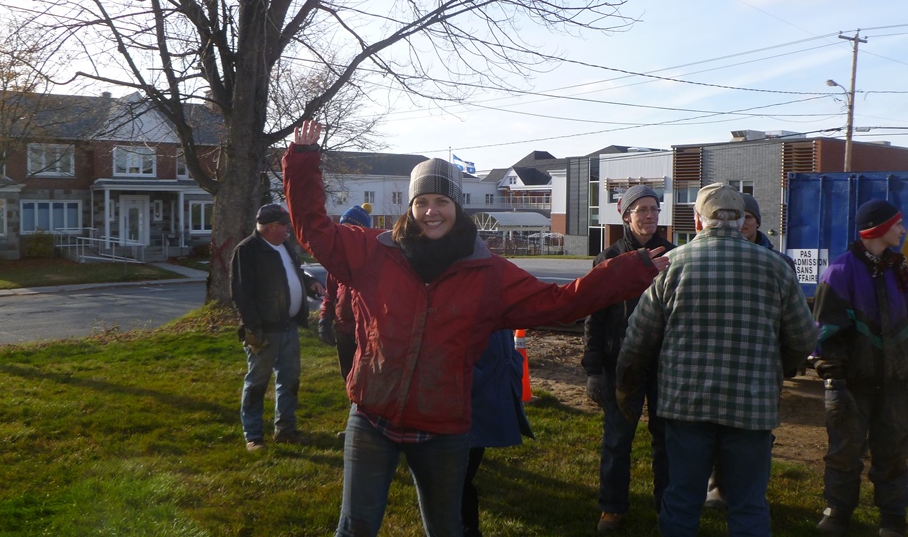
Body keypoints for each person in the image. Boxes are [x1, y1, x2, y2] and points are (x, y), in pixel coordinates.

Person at [283, 119, 670, 537]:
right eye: (422, 201)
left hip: (442, 426)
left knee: (447, 528)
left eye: (442, 201)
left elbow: (563, 302)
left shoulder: (488, 273)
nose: (431, 211)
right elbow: (313, 228)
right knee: (355, 527)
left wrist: (632, 268)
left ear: (457, 206)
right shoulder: (373, 254)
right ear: (410, 208)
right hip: (372, 416)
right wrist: (303, 162)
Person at [615, 182, 816, 537]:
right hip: (751, 407)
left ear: (697, 221)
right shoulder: (776, 267)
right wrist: (778, 367)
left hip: (686, 405)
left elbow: (638, 338)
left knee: (681, 499)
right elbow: (803, 339)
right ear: (740, 221)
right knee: (749, 504)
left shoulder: (670, 266)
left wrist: (625, 384)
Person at [812, 199, 908, 537]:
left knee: (896, 452)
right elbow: (827, 332)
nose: (903, 230)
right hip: (852, 384)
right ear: (879, 229)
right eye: (897, 224)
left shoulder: (902, 271)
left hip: (897, 385)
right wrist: (834, 379)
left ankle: (893, 518)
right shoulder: (840, 271)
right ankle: (837, 513)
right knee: (844, 452)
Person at [583, 185, 675, 533]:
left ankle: (666, 505)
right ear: (626, 216)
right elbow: (594, 314)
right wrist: (593, 369)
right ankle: (612, 508)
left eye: (654, 209)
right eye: (642, 210)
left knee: (665, 439)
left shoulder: (675, 256)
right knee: (618, 439)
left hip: (665, 365)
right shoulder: (609, 259)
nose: (650, 216)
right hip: (621, 364)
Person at [704, 191, 798, 510]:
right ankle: (718, 485)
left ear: (756, 222)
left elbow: (793, 322)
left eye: (749, 218)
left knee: (755, 433)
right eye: (738, 217)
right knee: (716, 428)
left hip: (761, 365)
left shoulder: (780, 263)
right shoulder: (716, 258)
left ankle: (748, 491)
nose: (742, 224)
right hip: (719, 362)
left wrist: (787, 361)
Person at [230, 202, 325, 451]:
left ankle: (286, 430)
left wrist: (309, 282)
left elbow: (293, 273)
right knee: (257, 381)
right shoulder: (247, 251)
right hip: (264, 330)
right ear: (271, 227)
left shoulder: (283, 246)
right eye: (285, 226)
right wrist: (253, 331)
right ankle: (253, 435)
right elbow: (242, 294)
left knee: (290, 379)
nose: (288, 231)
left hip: (288, 326)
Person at [461, 329, 534, 537]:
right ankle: (467, 529)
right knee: (456, 477)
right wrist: (473, 377)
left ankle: (467, 528)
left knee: (462, 473)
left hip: (483, 395)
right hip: (465, 395)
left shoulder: (492, 296)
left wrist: (511, 367)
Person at [318, 203, 373, 383]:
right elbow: (329, 296)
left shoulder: (373, 262)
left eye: (351, 229)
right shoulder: (337, 263)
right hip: (344, 330)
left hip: (368, 332)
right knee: (348, 376)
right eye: (343, 229)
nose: (346, 235)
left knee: (367, 378)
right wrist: (324, 320)